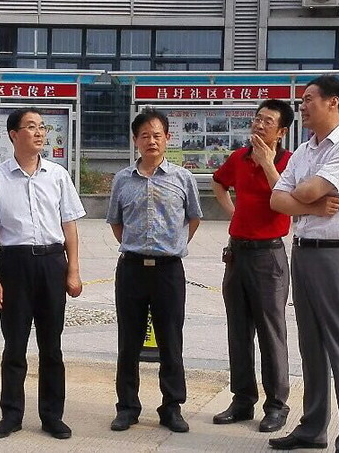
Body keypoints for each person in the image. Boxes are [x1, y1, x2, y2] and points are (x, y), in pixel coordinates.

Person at [269, 75, 339, 453]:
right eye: (302, 99)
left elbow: (305, 189)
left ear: (333, 102)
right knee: (310, 345)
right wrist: (312, 207)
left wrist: (304, 197)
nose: (302, 106)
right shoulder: (304, 150)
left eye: (309, 99)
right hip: (303, 251)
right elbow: (277, 201)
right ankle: (313, 428)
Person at [0, 108, 86, 440]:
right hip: (13, 265)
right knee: (14, 346)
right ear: (14, 134)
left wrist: (73, 270)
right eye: (31, 127)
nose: (39, 132)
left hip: (52, 263)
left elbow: (69, 226)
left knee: (51, 346)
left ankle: (52, 416)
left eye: (42, 127)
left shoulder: (58, 175)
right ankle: (11, 414)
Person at [106, 109, 203, 434]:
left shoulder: (182, 178)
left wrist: (173, 246)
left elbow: (193, 218)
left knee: (171, 341)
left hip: (168, 271)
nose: (151, 141)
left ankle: (171, 407)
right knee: (128, 342)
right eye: (144, 135)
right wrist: (138, 246)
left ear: (167, 139)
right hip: (131, 269)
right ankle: (127, 407)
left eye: (157, 135)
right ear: (136, 140)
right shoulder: (122, 179)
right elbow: (116, 223)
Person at [210, 99, 295, 434]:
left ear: (281, 131)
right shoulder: (238, 158)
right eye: (257, 119)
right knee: (238, 331)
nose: (259, 125)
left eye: (267, 121)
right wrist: (234, 213)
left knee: (271, 334)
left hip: (268, 257)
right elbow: (219, 182)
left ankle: (276, 405)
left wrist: (268, 163)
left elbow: (287, 198)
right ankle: (243, 400)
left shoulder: (290, 161)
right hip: (237, 254)